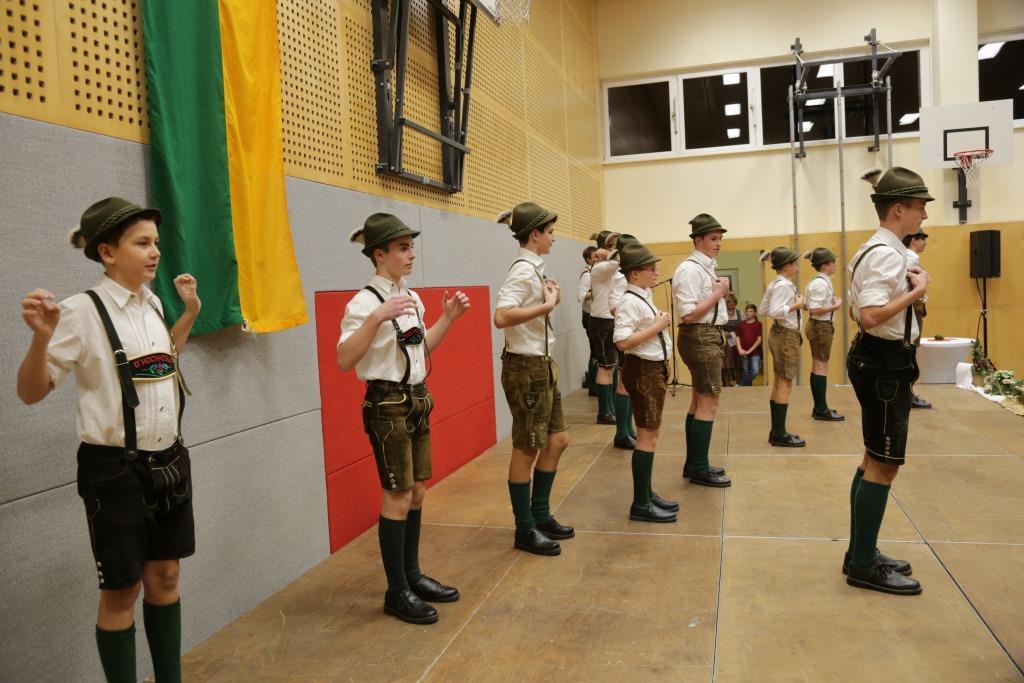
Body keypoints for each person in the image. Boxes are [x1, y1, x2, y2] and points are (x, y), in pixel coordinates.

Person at [17, 197, 201, 682]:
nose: (155, 252)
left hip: (171, 461)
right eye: (142, 243)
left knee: (166, 576)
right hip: (116, 472)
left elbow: (166, 358)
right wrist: (40, 338)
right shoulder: (79, 312)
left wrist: (190, 312)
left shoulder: (153, 302)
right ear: (107, 252)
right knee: (122, 591)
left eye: (156, 242)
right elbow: (30, 392)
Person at [338, 213, 470, 624]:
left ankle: (412, 576)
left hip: (417, 398)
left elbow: (421, 348)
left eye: (412, 247)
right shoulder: (363, 303)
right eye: (402, 248)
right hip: (387, 403)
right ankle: (396, 592)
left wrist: (447, 318)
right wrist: (377, 317)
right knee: (396, 495)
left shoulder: (411, 297)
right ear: (379, 254)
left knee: (417, 491)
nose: (412, 255)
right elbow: (344, 359)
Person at [842, 166, 932, 595]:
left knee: (871, 459)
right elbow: (869, 315)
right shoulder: (886, 254)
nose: (924, 216)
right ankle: (863, 564)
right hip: (884, 365)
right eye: (919, 207)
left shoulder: (874, 249)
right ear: (898, 209)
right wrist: (917, 291)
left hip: (878, 360)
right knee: (884, 463)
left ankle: (860, 551)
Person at [494, 202, 573, 556]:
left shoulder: (534, 269)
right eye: (550, 232)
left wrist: (550, 298)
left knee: (558, 440)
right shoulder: (523, 271)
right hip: (526, 367)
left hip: (541, 363)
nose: (554, 238)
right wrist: (546, 305)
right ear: (535, 234)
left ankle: (539, 514)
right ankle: (524, 528)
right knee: (527, 448)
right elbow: (501, 316)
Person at [613, 243, 679, 523]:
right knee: (646, 435)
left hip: (651, 369)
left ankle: (647, 493)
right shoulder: (629, 301)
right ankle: (641, 503)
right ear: (634, 274)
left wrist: (656, 321)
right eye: (651, 269)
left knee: (650, 432)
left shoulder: (643, 296)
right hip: (643, 371)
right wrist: (657, 326)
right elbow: (622, 341)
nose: (656, 273)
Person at [671, 213, 731, 487]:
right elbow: (688, 314)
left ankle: (694, 463)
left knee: (698, 401)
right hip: (700, 335)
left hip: (705, 335)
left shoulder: (704, 267)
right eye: (713, 238)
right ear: (698, 240)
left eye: (720, 238)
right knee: (709, 402)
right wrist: (717, 294)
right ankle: (699, 468)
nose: (718, 243)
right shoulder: (690, 270)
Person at [590, 234, 640, 449]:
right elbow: (617, 265)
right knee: (608, 369)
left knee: (622, 376)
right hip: (605, 322)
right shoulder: (605, 268)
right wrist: (611, 255)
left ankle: (624, 425)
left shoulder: (618, 269)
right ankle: (608, 414)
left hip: (616, 324)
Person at [760, 247, 806, 447]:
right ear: (787, 266)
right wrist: (796, 305)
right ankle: (779, 433)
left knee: (780, 382)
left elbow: (763, 309)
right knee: (785, 383)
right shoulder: (784, 286)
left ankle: (776, 431)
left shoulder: (775, 284)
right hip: (787, 336)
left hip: (779, 334)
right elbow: (775, 311)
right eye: (795, 264)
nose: (797, 268)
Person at [803, 247, 844, 421]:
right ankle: (821, 409)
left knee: (817, 366)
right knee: (821, 367)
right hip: (821, 326)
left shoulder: (816, 281)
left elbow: (806, 306)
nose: (835, 264)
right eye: (832, 262)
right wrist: (835, 306)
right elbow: (814, 309)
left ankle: (819, 406)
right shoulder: (820, 283)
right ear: (825, 265)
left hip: (818, 325)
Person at [903, 230, 932, 409]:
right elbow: (911, 282)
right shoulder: (910, 257)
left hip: (913, 305)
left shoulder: (908, 256)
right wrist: (923, 277)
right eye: (922, 239)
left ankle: (908, 393)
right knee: (911, 348)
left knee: (910, 349)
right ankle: (908, 394)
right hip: (913, 305)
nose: (925, 243)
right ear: (914, 240)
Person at [578, 244, 599, 396]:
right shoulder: (587, 275)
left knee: (598, 352)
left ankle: (597, 386)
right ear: (588, 260)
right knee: (595, 352)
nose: (598, 259)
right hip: (590, 316)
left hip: (596, 315)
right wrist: (598, 292)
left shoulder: (597, 273)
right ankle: (593, 386)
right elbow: (580, 296)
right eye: (595, 257)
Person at [736, 304, 763, 386]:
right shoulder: (741, 324)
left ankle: (740, 384)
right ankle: (747, 389)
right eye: (747, 311)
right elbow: (737, 337)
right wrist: (740, 349)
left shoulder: (759, 324)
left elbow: (759, 339)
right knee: (746, 372)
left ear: (755, 313)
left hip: (755, 352)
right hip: (743, 352)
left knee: (755, 371)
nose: (748, 313)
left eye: (751, 311)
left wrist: (749, 351)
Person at [722, 292, 741, 387]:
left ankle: (739, 383)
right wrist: (723, 332)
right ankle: (726, 383)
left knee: (738, 362)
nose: (731, 303)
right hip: (727, 341)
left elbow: (744, 326)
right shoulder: (722, 313)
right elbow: (717, 326)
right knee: (726, 363)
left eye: (733, 302)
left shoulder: (740, 313)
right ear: (726, 303)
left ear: (735, 303)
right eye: (729, 302)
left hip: (737, 340)